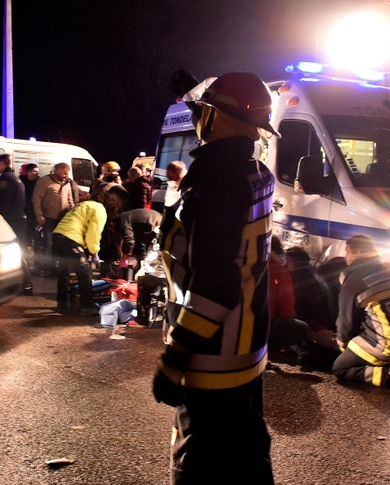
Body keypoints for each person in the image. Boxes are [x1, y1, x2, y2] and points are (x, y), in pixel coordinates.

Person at [152, 71, 277, 484]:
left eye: (202, 111)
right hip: (248, 347)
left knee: (200, 468)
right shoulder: (252, 171)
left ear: (216, 118)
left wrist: (176, 356)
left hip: (212, 355)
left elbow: (214, 285)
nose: (197, 119)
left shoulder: (217, 181)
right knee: (247, 460)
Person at [332, 234, 390, 394]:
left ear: (359, 252)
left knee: (341, 367)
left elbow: (346, 324)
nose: (345, 256)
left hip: (388, 346)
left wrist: (342, 346)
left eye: (347, 251)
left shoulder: (353, 282)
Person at [51, 198, 107, 309]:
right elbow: (93, 233)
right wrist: (94, 251)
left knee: (64, 269)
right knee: (85, 272)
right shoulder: (100, 209)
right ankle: (87, 306)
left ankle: (62, 300)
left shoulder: (84, 204)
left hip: (58, 235)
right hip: (70, 238)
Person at [115, 207, 163, 324]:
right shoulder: (132, 218)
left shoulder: (123, 219)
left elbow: (130, 240)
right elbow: (140, 244)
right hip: (155, 226)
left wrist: (124, 259)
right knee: (146, 267)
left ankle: (141, 320)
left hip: (155, 226)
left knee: (144, 280)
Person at [32, 162, 80, 275]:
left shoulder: (67, 183)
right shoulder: (44, 181)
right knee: (48, 243)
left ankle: (57, 266)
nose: (65, 175)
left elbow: (70, 200)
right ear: (56, 171)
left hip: (63, 220)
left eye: (67, 173)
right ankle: (47, 267)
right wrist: (39, 214)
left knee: (60, 244)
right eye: (64, 173)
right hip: (49, 218)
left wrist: (73, 214)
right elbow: (37, 198)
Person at [267, 237, 310, 354]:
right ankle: (265, 352)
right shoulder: (279, 271)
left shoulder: (244, 264)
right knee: (301, 328)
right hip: (263, 324)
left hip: (237, 321)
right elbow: (286, 310)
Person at [0, 154, 26, 239]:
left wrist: (1, 214)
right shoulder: (13, 176)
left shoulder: (5, 177)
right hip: (18, 216)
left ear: (2, 163)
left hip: (11, 217)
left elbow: (5, 198)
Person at [19, 162, 42, 270]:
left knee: (36, 238)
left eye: (37, 172)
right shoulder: (21, 182)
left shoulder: (39, 182)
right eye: (34, 171)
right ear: (28, 172)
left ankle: (37, 263)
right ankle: (24, 262)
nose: (36, 174)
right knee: (24, 238)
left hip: (35, 215)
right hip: (24, 214)